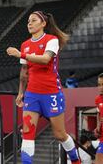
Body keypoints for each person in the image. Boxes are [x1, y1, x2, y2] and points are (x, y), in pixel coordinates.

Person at [6, 11, 81, 164]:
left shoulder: (51, 40)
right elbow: (24, 72)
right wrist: (21, 92)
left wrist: (21, 55)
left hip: (52, 93)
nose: (30, 23)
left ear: (43, 24)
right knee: (27, 132)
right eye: (28, 21)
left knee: (60, 135)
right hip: (32, 94)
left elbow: (45, 59)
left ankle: (76, 160)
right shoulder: (25, 45)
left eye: (33, 20)